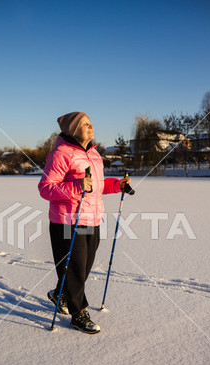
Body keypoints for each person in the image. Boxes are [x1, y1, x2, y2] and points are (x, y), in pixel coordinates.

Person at [38, 112, 130, 334]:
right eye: (86, 124)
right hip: (67, 221)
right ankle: (78, 314)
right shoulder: (61, 154)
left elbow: (95, 187)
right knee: (75, 269)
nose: (92, 127)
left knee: (84, 267)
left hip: (92, 218)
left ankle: (59, 294)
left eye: (91, 123)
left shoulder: (94, 154)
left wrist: (117, 185)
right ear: (73, 129)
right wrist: (76, 186)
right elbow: (46, 188)